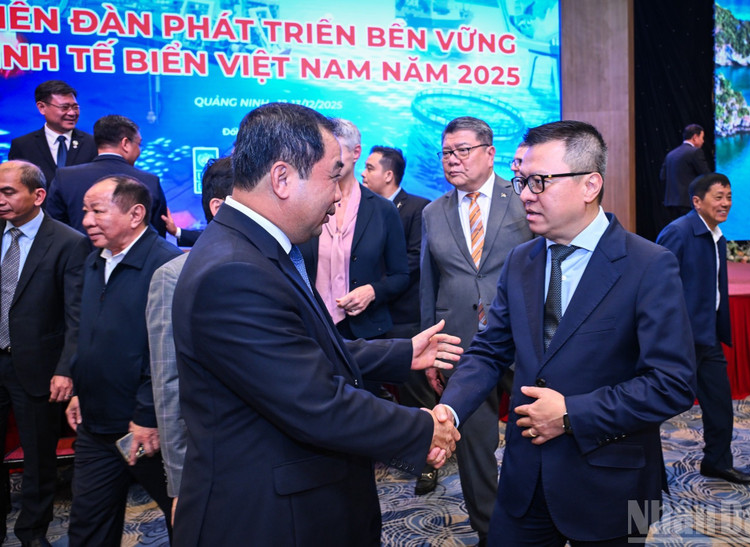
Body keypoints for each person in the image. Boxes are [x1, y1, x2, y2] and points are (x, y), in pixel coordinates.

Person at [170, 102, 462, 546]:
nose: (340, 194)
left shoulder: (251, 248)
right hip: (270, 518)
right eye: (333, 176)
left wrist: (401, 353)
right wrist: (422, 428)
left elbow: (297, 350)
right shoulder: (235, 270)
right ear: (283, 178)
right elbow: (315, 402)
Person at [437, 120, 697, 545]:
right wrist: (447, 413)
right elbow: (488, 352)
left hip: (618, 482)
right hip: (525, 478)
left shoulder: (650, 265)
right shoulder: (521, 260)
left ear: (590, 185)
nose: (523, 194)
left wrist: (573, 414)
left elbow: (672, 384)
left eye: (539, 182)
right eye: (522, 181)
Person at [420, 116, 533, 542]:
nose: (453, 160)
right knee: (473, 448)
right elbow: (429, 284)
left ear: (490, 153)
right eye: (447, 152)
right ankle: (491, 533)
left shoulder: (522, 199)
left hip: (522, 338)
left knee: (535, 437)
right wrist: (431, 346)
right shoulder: (433, 212)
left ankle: (535, 524)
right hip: (460, 344)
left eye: (462, 150)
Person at [66, 176, 181, 546]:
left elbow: (165, 351)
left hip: (147, 427)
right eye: (84, 211)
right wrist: (79, 388)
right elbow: (90, 333)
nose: (86, 220)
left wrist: (148, 415)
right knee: (87, 527)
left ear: (135, 214)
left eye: (97, 210)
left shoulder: (167, 266)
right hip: (95, 424)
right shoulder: (94, 261)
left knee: (186, 518)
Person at [0, 160, 90, 546]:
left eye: (8, 192)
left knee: (39, 460)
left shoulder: (68, 242)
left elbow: (76, 315)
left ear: (38, 196)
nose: (0, 199)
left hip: (37, 367)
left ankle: (32, 533)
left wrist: (65, 368)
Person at [146, 157, 234, 521]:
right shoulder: (173, 277)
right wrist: (182, 485)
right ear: (218, 206)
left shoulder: (288, 261)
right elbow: (169, 384)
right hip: (214, 462)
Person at [656, 173, 750, 485]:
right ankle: (647, 470)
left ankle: (717, 462)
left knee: (720, 404)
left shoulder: (717, 235)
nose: (725, 203)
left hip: (707, 336)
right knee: (655, 405)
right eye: (718, 197)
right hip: (678, 339)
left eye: (729, 196)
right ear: (697, 201)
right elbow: (657, 288)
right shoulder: (678, 232)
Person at [362, 145, 436, 493]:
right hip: (371, 318)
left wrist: (374, 288)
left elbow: (413, 261)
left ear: (388, 175)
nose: (364, 173)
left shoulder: (418, 209)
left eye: (370, 167)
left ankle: (428, 462)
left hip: (405, 316)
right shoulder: (365, 210)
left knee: (416, 394)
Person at [299, 119, 409, 341]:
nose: (327, 158)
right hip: (311, 328)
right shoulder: (304, 204)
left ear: (356, 152)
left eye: (335, 150)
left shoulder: (382, 210)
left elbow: (401, 276)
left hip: (367, 332)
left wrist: (373, 291)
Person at [46, 115, 168, 237]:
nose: (139, 150)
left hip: (77, 255)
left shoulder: (65, 177)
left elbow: (54, 228)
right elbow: (156, 236)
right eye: (139, 144)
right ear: (125, 143)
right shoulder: (149, 181)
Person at [8, 81, 97, 187]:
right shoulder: (22, 145)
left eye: (75, 107)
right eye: (64, 107)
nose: (72, 113)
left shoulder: (92, 143)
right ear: (42, 107)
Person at [659, 123, 710, 221]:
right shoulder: (695, 152)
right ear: (695, 137)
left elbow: (662, 177)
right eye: (702, 138)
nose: (703, 141)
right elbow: (706, 176)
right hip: (688, 203)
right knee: (690, 233)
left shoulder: (670, 154)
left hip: (670, 203)